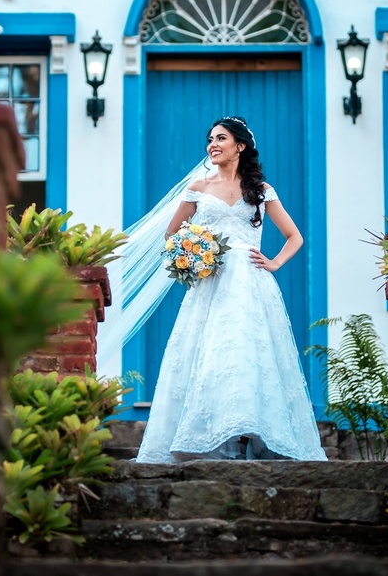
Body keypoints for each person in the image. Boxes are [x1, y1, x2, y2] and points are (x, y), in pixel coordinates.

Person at [133, 116, 326, 463]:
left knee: (247, 354)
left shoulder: (261, 190)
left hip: (251, 284)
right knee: (210, 355)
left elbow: (294, 236)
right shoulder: (198, 187)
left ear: (240, 146)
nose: (213, 145)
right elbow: (172, 235)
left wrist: (275, 262)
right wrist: (194, 256)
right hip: (211, 282)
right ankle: (209, 435)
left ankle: (244, 435)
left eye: (221, 138)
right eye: (210, 139)